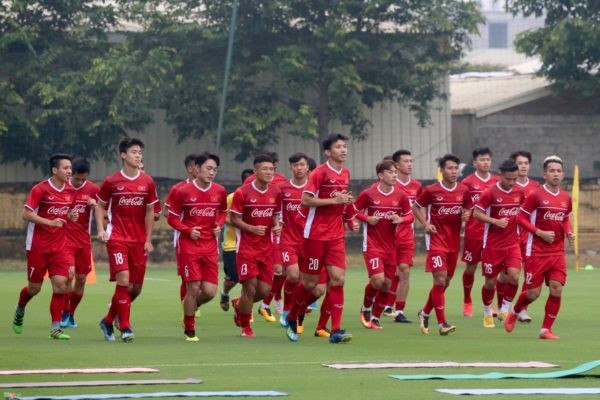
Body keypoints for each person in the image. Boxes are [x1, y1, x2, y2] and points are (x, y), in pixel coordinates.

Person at [284, 133, 355, 344]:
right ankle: (292, 314)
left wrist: (346, 207)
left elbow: (340, 200)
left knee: (338, 279)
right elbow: (306, 200)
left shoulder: (345, 173)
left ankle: (335, 330)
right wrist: (334, 200)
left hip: (335, 235)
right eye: (338, 147)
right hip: (314, 235)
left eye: (345, 146)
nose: (343, 150)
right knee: (310, 283)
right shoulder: (319, 173)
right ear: (327, 151)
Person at [96, 137, 159, 342]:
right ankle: (125, 327)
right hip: (117, 238)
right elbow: (100, 205)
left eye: (140, 152)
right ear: (123, 155)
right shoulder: (111, 181)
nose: (138, 155)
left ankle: (107, 320)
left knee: (135, 288)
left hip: (139, 241)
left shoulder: (147, 181)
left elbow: (150, 211)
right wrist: (100, 229)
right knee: (123, 279)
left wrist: (148, 239)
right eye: (133, 152)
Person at [504, 156, 573, 340]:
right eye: (552, 171)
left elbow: (565, 218)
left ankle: (545, 330)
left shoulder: (566, 197)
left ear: (563, 174)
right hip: (536, 251)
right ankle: (516, 310)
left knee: (556, 288)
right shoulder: (536, 195)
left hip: (557, 251)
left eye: (559, 171)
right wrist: (539, 232)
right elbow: (520, 218)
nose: (556, 174)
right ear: (545, 174)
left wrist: (569, 232)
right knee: (533, 293)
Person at [12, 154, 76, 340]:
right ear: (54, 170)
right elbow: (26, 214)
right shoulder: (40, 189)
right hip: (37, 247)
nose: (69, 171)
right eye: (65, 168)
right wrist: (49, 223)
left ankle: (55, 328)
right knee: (34, 288)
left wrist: (69, 216)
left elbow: (66, 211)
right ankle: (20, 308)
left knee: (60, 285)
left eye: (70, 167)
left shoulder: (70, 191)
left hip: (60, 246)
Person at [167, 152, 227, 341]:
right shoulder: (182, 191)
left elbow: (223, 212)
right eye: (208, 168)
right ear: (197, 168)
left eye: (215, 169)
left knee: (209, 292)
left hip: (210, 246)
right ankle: (190, 327)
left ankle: (191, 307)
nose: (212, 172)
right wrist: (187, 230)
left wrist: (219, 224)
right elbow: (172, 217)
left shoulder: (219, 191)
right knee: (193, 287)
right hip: (189, 246)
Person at [413, 154, 469, 336]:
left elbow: (468, 209)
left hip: (453, 242)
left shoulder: (463, 190)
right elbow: (415, 206)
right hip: (436, 240)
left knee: (446, 282)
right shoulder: (431, 190)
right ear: (442, 170)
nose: (454, 171)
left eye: (456, 168)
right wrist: (425, 224)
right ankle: (442, 323)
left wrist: (465, 217)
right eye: (450, 168)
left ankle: (424, 312)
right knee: (440, 279)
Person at [354, 160, 413, 329]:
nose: (395, 175)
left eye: (395, 172)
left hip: (390, 246)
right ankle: (366, 307)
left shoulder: (401, 195)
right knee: (378, 280)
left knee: (387, 284)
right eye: (391, 172)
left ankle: (375, 318)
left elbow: (410, 216)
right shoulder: (368, 194)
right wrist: (367, 219)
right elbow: (352, 210)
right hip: (372, 245)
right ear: (381, 175)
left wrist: (401, 219)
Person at [229, 154, 282, 337]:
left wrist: (276, 225)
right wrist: (252, 228)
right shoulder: (242, 192)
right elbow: (233, 220)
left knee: (264, 290)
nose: (269, 172)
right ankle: (246, 326)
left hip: (267, 248)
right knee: (249, 287)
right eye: (265, 169)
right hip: (246, 248)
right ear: (255, 171)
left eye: (271, 169)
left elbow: (275, 214)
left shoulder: (276, 192)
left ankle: (239, 304)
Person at [472, 160, 524, 328]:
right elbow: (476, 214)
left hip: (512, 244)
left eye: (515, 179)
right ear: (501, 175)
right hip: (492, 246)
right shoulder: (490, 193)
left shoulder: (519, 193)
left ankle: (505, 308)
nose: (512, 183)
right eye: (509, 179)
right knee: (490, 283)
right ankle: (487, 311)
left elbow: (524, 213)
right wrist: (494, 221)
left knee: (515, 277)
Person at [60, 158, 100, 329]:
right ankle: (63, 311)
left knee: (81, 279)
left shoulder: (93, 189)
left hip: (83, 241)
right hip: (64, 240)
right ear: (71, 174)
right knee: (68, 275)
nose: (80, 182)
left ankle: (70, 314)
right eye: (77, 179)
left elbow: (102, 209)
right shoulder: (62, 188)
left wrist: (95, 206)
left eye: (84, 179)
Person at [501, 150, 540, 323]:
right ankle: (502, 305)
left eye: (526, 163)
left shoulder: (536, 186)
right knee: (506, 275)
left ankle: (522, 309)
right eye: (520, 163)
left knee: (528, 273)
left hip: (530, 237)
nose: (523, 166)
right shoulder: (507, 185)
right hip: (509, 237)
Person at [384, 149, 422, 323]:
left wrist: (426, 222)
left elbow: (418, 208)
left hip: (407, 235)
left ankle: (399, 311)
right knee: (389, 275)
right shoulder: (388, 184)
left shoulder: (416, 186)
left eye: (411, 161)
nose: (410, 164)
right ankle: (380, 303)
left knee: (404, 271)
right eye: (406, 161)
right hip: (387, 237)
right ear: (397, 165)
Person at [460, 147, 498, 317]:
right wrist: (464, 214)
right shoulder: (467, 183)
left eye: (488, 159)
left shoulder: (498, 181)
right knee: (471, 268)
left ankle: (489, 306)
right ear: (474, 162)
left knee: (493, 271)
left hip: (493, 234)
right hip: (474, 232)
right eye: (482, 159)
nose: (486, 162)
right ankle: (467, 300)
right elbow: (461, 204)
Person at [277, 153, 310, 325]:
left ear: (307, 167)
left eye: (302, 165)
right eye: (295, 165)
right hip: (288, 239)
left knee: (305, 282)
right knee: (293, 275)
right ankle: (287, 310)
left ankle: (294, 310)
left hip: (308, 241)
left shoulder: (313, 189)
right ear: (290, 167)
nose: (299, 168)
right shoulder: (282, 189)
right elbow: (275, 211)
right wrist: (276, 224)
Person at [164, 154, 199, 303]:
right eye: (198, 166)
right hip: (184, 239)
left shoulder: (211, 189)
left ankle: (194, 303)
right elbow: (167, 212)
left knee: (203, 278)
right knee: (187, 277)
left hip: (206, 238)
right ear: (190, 168)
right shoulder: (178, 188)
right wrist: (185, 227)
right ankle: (187, 309)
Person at [219, 169, 254, 311]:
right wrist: (238, 222)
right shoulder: (232, 197)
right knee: (234, 278)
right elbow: (222, 216)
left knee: (251, 280)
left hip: (251, 244)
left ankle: (242, 305)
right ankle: (225, 292)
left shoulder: (260, 198)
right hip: (232, 244)